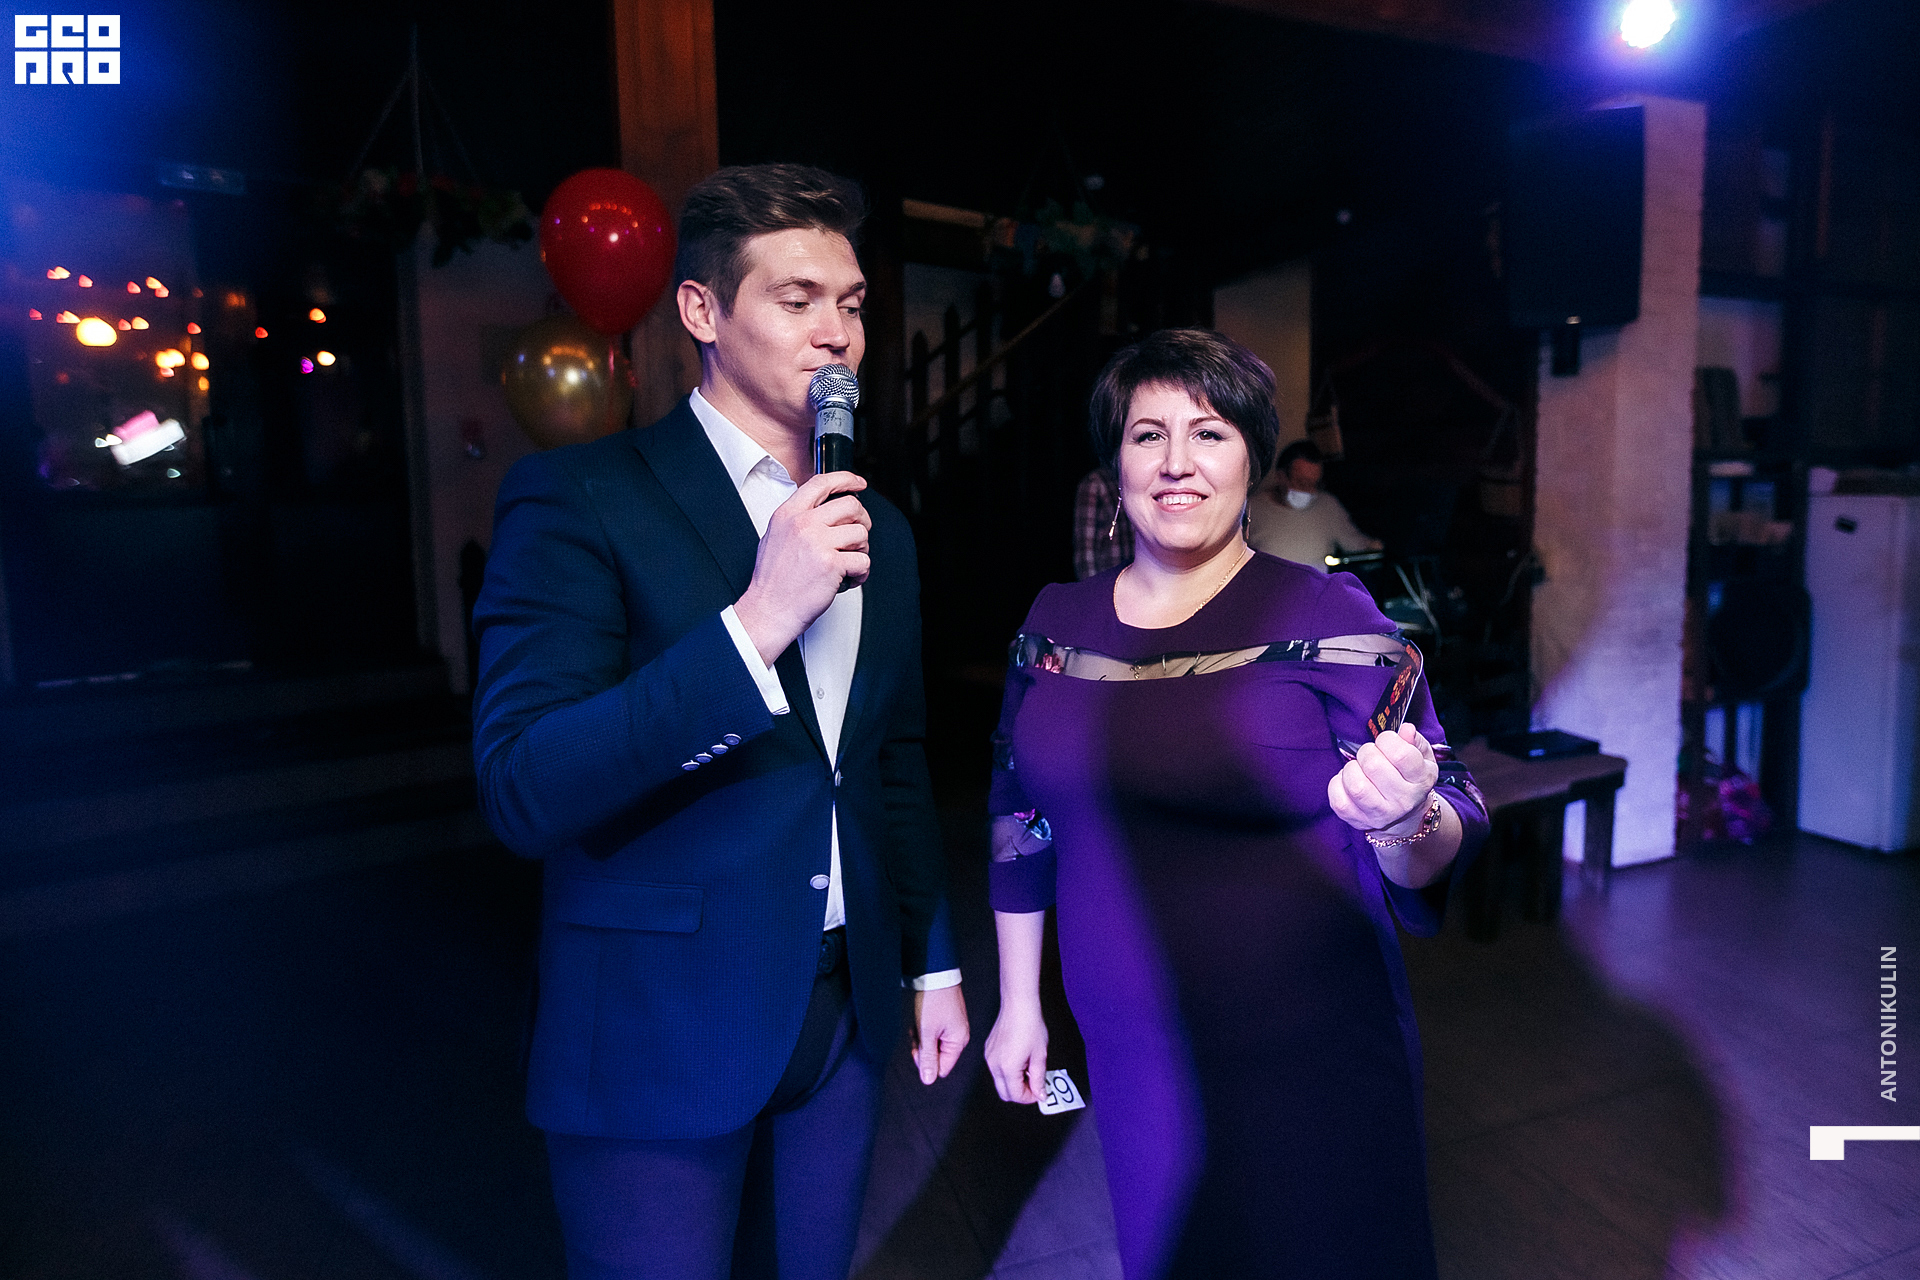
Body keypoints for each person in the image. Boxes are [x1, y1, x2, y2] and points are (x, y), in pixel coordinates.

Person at [471, 164, 969, 1280]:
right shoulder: (581, 496)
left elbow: (890, 761)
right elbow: (521, 786)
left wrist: (930, 961)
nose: (837, 333)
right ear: (702, 310)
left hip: (844, 1011)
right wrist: (755, 623)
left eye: (851, 304)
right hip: (658, 1018)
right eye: (798, 300)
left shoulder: (880, 525)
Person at [981, 329, 1487, 1278]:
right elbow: (1019, 818)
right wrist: (1018, 1004)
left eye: (1209, 433)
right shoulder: (1054, 624)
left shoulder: (1329, 616)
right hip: (1131, 1044)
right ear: (1115, 465)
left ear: (1252, 458)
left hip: (1308, 1046)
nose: (1177, 463)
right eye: (1148, 435)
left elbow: (1449, 811)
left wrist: (1403, 820)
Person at [1245, 438, 1381, 571]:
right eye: (1302, 483)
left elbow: (1359, 548)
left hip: (1317, 585)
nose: (1309, 490)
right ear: (1281, 477)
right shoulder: (1252, 509)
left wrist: (1375, 549)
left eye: (1314, 484)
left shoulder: (1327, 506)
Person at [1072, 464, 1134, 579]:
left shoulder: (1136, 480)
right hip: (1106, 579)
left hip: (1138, 580)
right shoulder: (1095, 483)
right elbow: (1085, 550)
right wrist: (1092, 587)